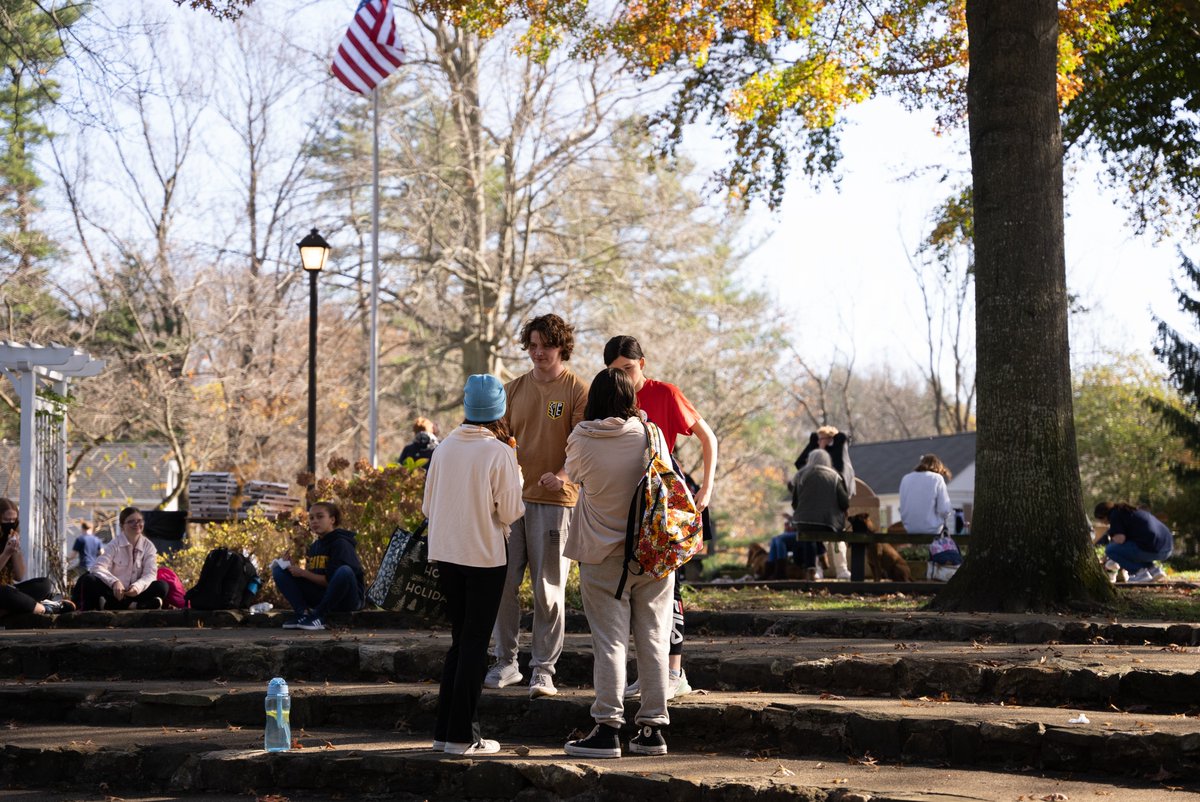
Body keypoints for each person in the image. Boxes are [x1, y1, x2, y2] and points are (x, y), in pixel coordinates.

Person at [562, 367, 673, 759]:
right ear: (631, 398)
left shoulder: (582, 437)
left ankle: (608, 728)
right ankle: (652, 730)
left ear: (593, 400)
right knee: (654, 637)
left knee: (609, 641)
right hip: (652, 553)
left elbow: (573, 475)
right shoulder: (651, 434)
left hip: (601, 554)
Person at [604, 335, 717, 701]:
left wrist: (706, 488)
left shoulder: (665, 393)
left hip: (663, 501)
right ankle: (649, 674)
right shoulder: (608, 398)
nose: (623, 377)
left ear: (642, 364)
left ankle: (674, 672)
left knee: (671, 585)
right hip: (626, 504)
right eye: (615, 371)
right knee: (637, 591)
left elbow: (708, 438)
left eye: (628, 369)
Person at [485, 314, 588, 699]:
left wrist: (562, 475)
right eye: (532, 345)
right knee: (502, 585)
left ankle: (543, 670)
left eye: (546, 345)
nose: (538, 352)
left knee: (549, 590)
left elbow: (583, 446)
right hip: (512, 504)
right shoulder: (512, 390)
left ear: (562, 346)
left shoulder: (578, 390)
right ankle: (505, 662)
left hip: (557, 504)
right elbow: (497, 442)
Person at [424, 374, 525, 756]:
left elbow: (427, 506)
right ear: (499, 411)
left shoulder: (444, 448)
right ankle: (462, 736)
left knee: (459, 641)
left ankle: (444, 731)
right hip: (484, 556)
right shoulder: (499, 452)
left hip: (446, 554)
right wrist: (517, 474)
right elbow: (511, 511)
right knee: (474, 645)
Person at [272, 501, 366, 631]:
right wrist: (292, 568)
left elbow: (330, 581)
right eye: (311, 518)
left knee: (345, 571)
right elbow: (314, 577)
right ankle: (303, 614)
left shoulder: (341, 543)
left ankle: (318, 616)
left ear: (332, 520)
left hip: (347, 599)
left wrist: (302, 573)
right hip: (324, 596)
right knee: (279, 570)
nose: (315, 521)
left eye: (320, 516)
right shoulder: (315, 546)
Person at [77, 506, 168, 611]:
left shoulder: (149, 546)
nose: (136, 524)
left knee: (162, 586)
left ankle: (112, 605)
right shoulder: (114, 545)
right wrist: (114, 582)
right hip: (114, 592)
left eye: (139, 521)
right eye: (131, 521)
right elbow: (97, 567)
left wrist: (137, 587)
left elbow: (150, 574)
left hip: (136, 593)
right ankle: (135, 605)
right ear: (122, 526)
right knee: (89, 579)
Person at [794, 425, 854, 579]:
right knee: (817, 533)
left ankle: (839, 568)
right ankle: (819, 567)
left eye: (821, 439)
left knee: (833, 539)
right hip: (820, 512)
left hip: (828, 509)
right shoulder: (812, 468)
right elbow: (800, 462)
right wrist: (813, 441)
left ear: (830, 439)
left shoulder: (836, 459)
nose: (818, 442)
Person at [0, 498, 74, 615]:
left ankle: (17, 606)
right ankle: (46, 608)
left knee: (44, 584)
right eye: (6, 520)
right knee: (5, 592)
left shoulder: (9, 538)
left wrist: (15, 551)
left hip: (10, 589)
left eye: (14, 520)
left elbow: (19, 576)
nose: (10, 524)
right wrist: (6, 554)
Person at [1095, 501, 1173, 583]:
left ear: (1104, 516)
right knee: (1133, 547)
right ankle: (1154, 570)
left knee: (1111, 550)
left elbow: (1119, 540)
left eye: (1101, 521)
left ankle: (1139, 573)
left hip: (1153, 549)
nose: (1103, 523)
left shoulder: (1115, 515)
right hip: (1167, 548)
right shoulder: (1130, 512)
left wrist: (1106, 557)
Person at [898, 454, 955, 535]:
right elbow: (945, 510)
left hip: (910, 529)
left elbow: (902, 508)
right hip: (932, 530)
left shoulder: (906, 478)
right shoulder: (937, 478)